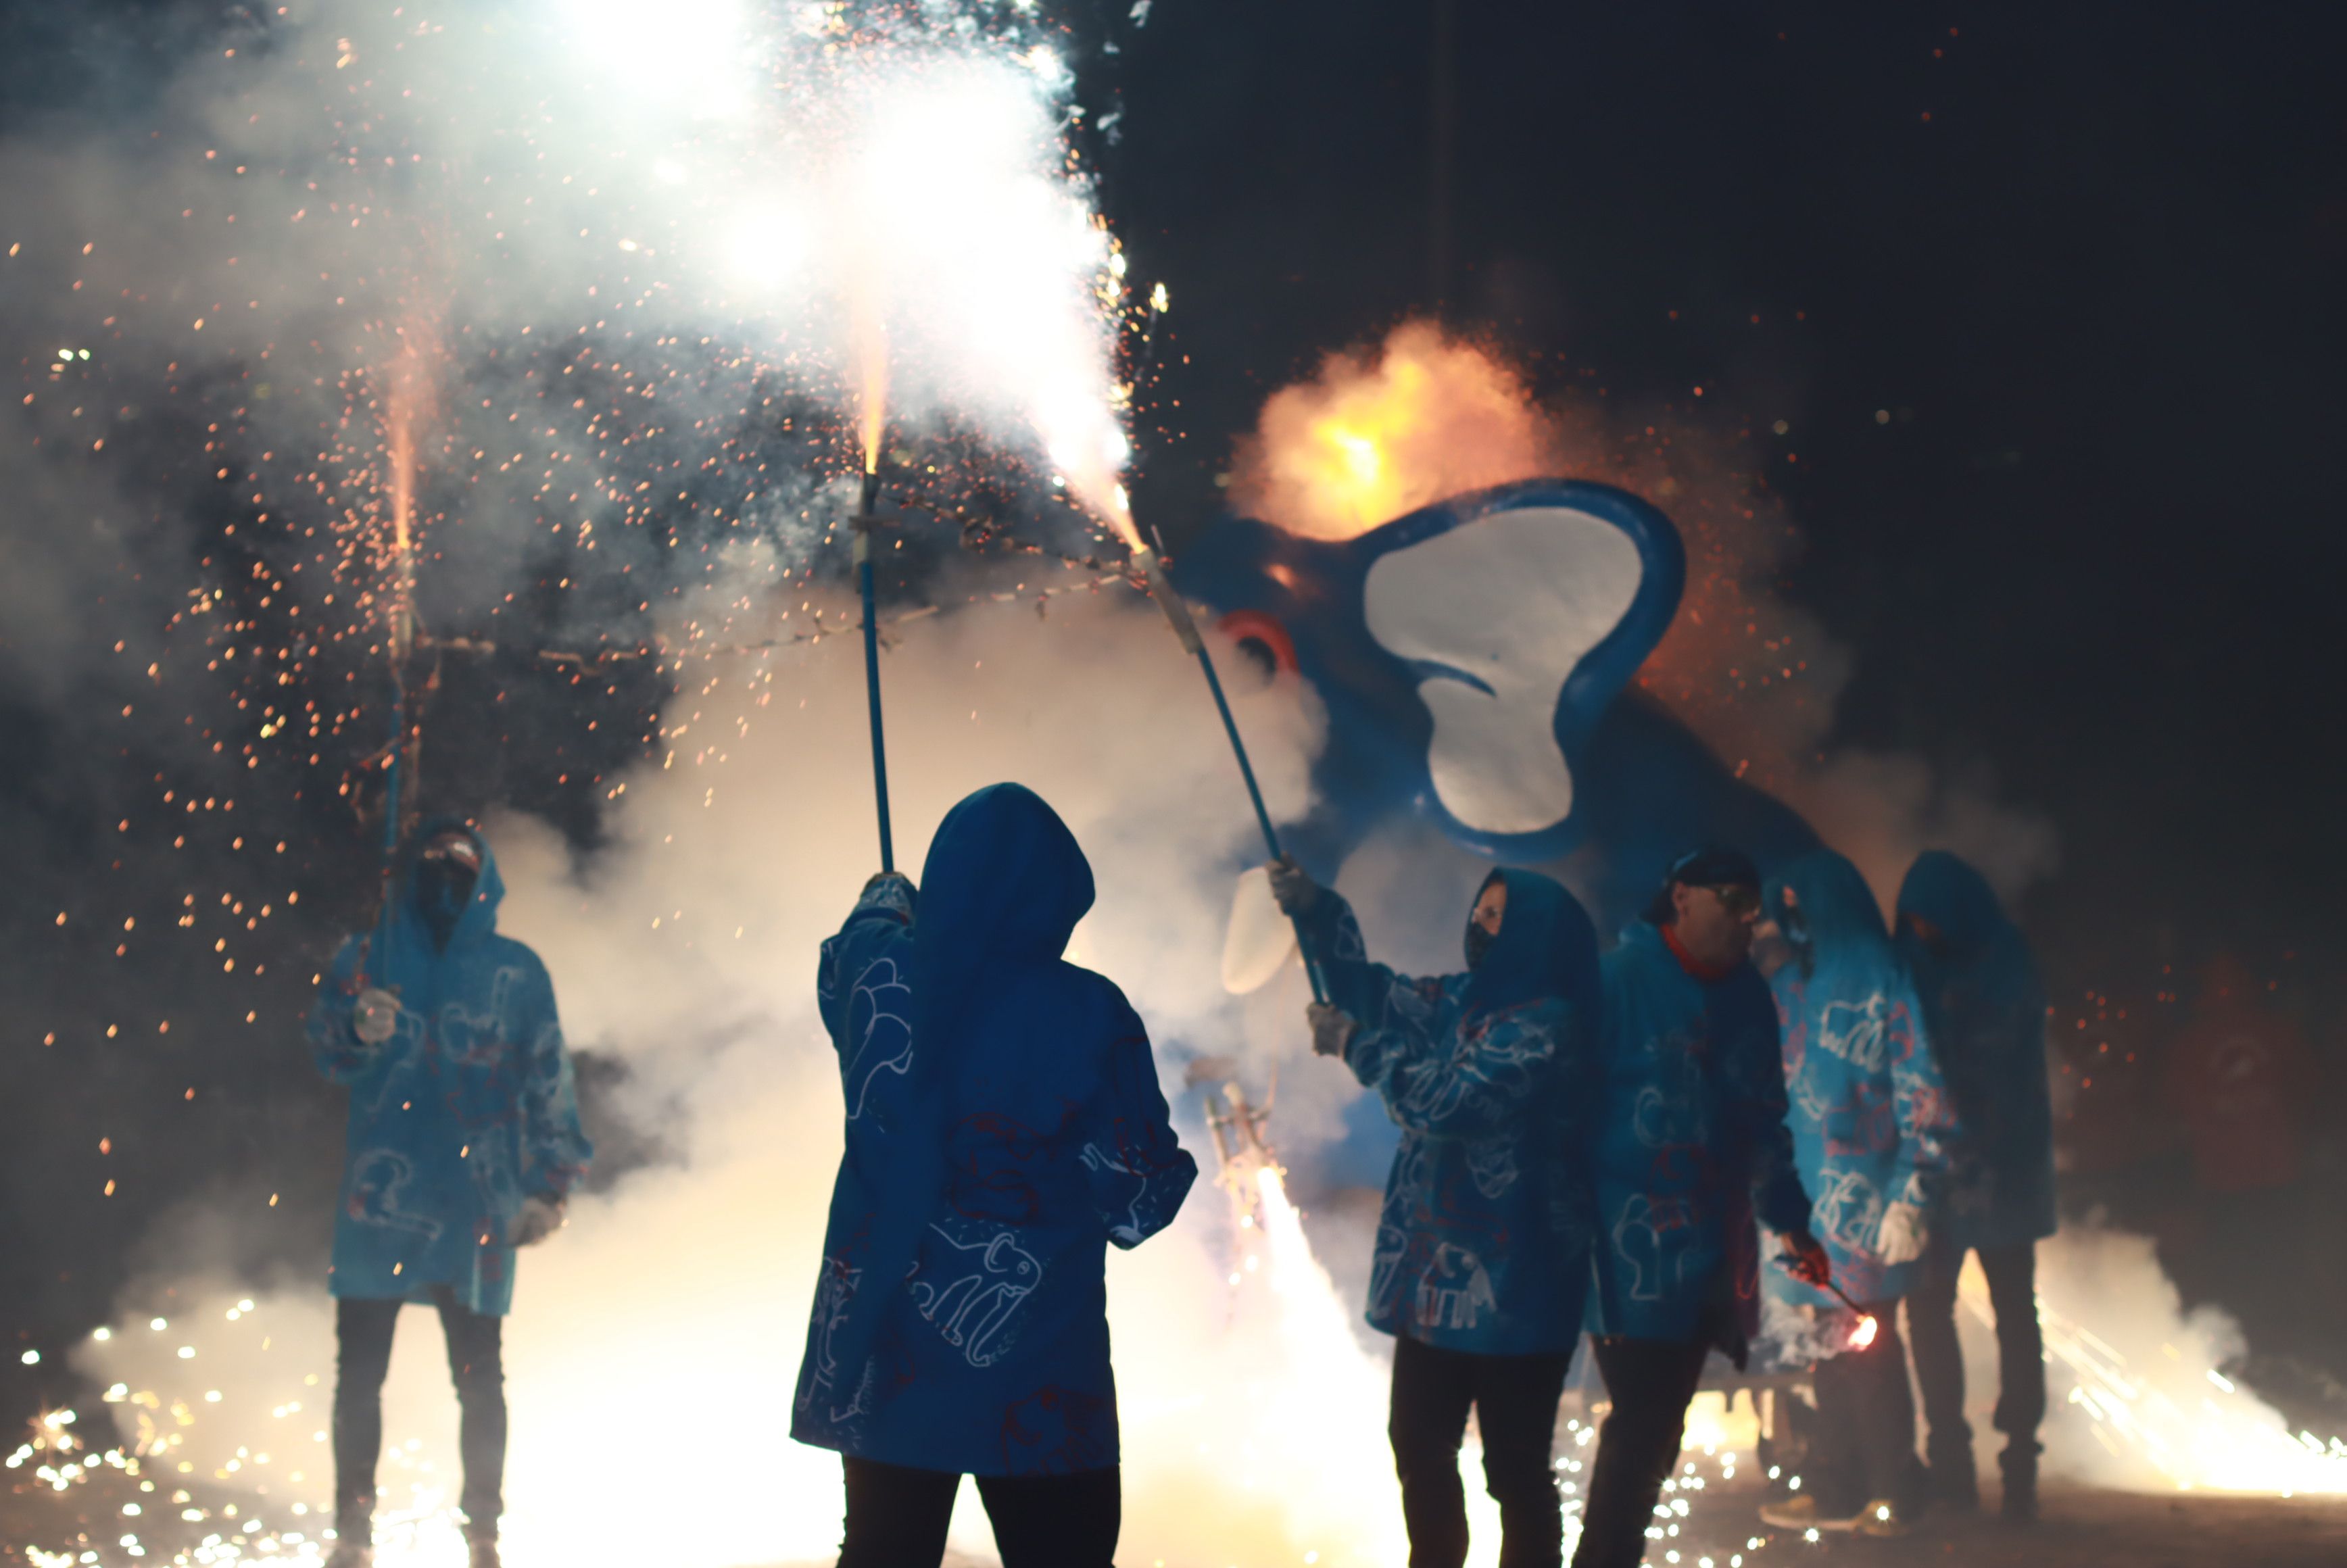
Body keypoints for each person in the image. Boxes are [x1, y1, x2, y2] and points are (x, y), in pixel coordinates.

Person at [792, 784, 1198, 1568]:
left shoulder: (879, 973)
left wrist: (883, 900)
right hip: (1034, 1364)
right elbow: (1137, 1204)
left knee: (883, 1555)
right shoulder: (1088, 1012)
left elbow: (850, 950)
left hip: (885, 1353)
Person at [1269, 854, 1601, 1568]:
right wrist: (1318, 914)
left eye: (1499, 919)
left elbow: (1447, 1101)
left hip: (1519, 1287)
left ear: (1538, 935)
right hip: (1434, 1283)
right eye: (1479, 914)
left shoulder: (1547, 1027)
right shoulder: (1462, 1003)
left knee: (1514, 1473)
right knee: (1418, 1445)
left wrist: (1357, 1045)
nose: (1480, 929)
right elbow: (1374, 992)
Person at [306, 819, 594, 1568]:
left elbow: (546, 1076)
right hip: (380, 1199)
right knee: (360, 1372)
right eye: (431, 873)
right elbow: (326, 1053)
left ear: (483, 884)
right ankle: (352, 1533)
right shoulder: (369, 960)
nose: (444, 890)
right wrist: (355, 1026)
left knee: (479, 1374)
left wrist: (550, 1185)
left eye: (458, 876)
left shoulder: (515, 972)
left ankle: (483, 1533)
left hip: (476, 1202)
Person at [1577, 848, 1830, 1568]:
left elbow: (1759, 1118)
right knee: (1643, 1421)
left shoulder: (1746, 994)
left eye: (1754, 908)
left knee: (1659, 1430)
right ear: (1681, 896)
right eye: (1731, 901)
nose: (1748, 921)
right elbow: (1567, 1099)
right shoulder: (1617, 981)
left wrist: (1790, 1218)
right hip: (1624, 1249)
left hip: (1710, 1258)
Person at [1753, 850, 1957, 1538]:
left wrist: (1913, 1190)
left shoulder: (1884, 974)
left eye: (1798, 905)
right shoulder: (1786, 985)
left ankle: (1897, 1489)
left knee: (1869, 1351)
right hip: (1803, 1209)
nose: (1791, 922)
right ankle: (1835, 1487)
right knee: (1823, 1353)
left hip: (1869, 1204)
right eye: (1783, 910)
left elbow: (1921, 1082)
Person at [1895, 852, 2056, 1521]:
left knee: (2010, 1310)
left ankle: (2018, 1457)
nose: (1922, 930)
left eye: (1929, 918)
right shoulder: (1948, 959)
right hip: (1948, 1178)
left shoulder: (1996, 964)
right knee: (1933, 1313)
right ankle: (1952, 1459)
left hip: (1998, 1171)